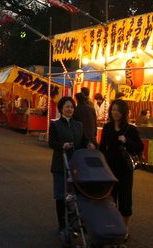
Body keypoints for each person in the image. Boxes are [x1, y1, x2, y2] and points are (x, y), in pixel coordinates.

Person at [98, 99, 143, 240]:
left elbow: (139, 147)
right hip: (109, 169)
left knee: (125, 200)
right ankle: (111, 226)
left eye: (118, 110)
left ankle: (124, 228)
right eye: (113, 110)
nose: (115, 113)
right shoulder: (107, 127)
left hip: (125, 170)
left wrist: (126, 141)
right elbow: (102, 147)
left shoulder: (131, 129)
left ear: (124, 112)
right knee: (110, 199)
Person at [48, 96, 93, 232]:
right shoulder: (55, 125)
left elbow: (85, 140)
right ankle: (62, 225)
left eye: (72, 107)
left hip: (76, 166)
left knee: (76, 195)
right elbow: (52, 143)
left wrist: (90, 144)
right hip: (60, 165)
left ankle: (76, 223)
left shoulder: (78, 125)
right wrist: (63, 145)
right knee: (61, 195)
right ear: (61, 108)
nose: (70, 109)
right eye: (67, 106)